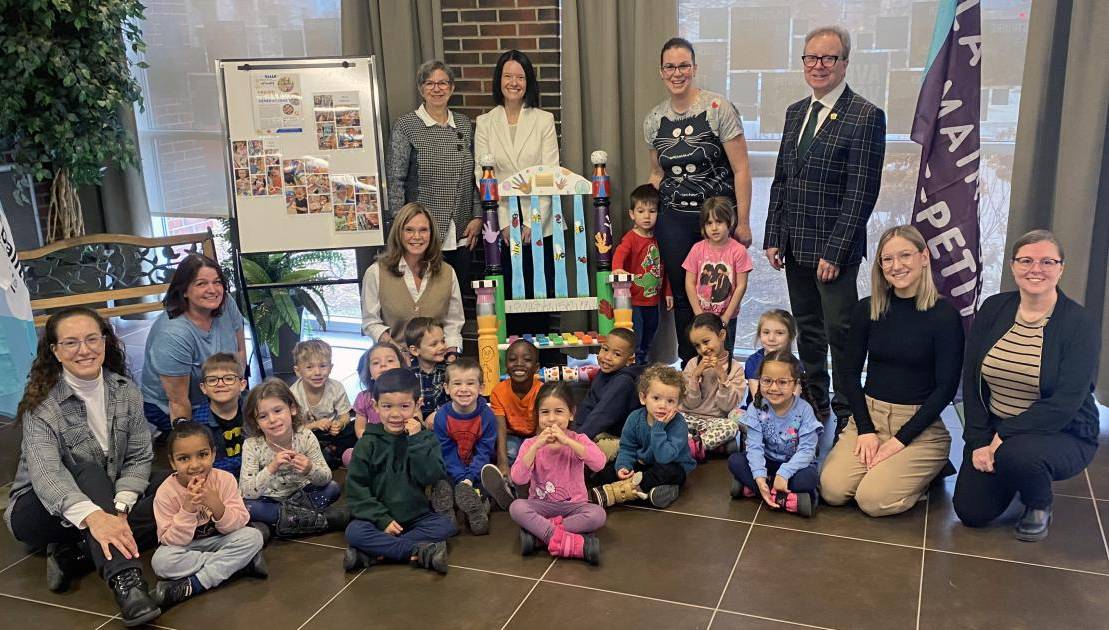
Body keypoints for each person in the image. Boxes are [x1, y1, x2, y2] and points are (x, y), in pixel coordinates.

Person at [762, 25, 886, 427]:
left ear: (844, 63)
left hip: (835, 250)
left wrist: (834, 252)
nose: (818, 66)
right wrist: (773, 236)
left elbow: (861, 194)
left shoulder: (865, 116)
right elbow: (782, 178)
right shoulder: (796, 112)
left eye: (828, 58)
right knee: (809, 329)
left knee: (841, 331)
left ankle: (849, 409)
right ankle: (815, 399)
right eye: (811, 58)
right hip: (795, 244)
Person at [6, 307, 162, 626]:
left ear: (105, 341)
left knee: (174, 488)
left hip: (107, 494)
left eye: (92, 338)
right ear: (55, 351)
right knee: (88, 470)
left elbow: (139, 456)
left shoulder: (125, 390)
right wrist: (94, 516)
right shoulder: (42, 405)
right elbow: (47, 475)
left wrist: (118, 507)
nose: (85, 349)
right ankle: (127, 581)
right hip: (39, 510)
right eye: (72, 342)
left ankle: (74, 555)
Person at [953, 230, 1101, 541]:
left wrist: (1002, 437)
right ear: (1012, 266)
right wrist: (979, 440)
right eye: (1026, 260)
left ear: (1061, 268)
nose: (1036, 269)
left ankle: (1038, 503)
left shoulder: (1078, 323)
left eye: (1047, 261)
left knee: (1016, 455)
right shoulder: (993, 309)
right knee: (972, 512)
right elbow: (972, 378)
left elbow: (1065, 404)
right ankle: (1014, 467)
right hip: (998, 427)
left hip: (1063, 431)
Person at [820, 226, 963, 517]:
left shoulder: (944, 316)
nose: (896, 266)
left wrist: (899, 442)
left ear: (924, 257)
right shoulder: (867, 309)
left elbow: (946, 388)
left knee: (873, 500)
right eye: (887, 259)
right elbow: (848, 374)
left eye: (905, 255)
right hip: (870, 417)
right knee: (832, 491)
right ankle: (891, 469)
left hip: (918, 426)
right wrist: (865, 429)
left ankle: (928, 469)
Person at [645, 37, 753, 362]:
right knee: (682, 296)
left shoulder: (718, 108)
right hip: (674, 219)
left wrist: (743, 221)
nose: (677, 73)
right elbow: (656, 173)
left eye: (683, 66)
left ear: (694, 68)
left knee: (721, 292)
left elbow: (742, 167)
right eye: (670, 67)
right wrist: (648, 218)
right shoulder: (653, 119)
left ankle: (723, 367)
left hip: (716, 218)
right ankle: (691, 368)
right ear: (661, 72)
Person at [474, 49, 560, 333]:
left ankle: (541, 368)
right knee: (507, 296)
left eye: (520, 77)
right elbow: (481, 174)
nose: (514, 82)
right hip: (500, 224)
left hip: (539, 223)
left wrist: (531, 222)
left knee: (539, 297)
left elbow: (550, 174)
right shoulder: (485, 123)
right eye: (508, 75)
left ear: (529, 81)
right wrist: (504, 223)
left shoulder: (543, 120)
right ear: (499, 80)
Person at [343, 368, 457, 574]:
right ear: (375, 406)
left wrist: (416, 440)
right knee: (354, 531)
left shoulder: (425, 438)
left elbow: (432, 475)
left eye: (404, 406)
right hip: (378, 519)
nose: (395, 414)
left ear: (418, 405)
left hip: (417, 517)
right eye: (387, 406)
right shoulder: (367, 443)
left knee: (446, 526)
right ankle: (417, 551)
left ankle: (372, 553)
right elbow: (356, 490)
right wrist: (382, 519)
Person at [150, 421, 266, 609]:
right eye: (184, 459)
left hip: (221, 539)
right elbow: (170, 541)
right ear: (172, 462)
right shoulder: (166, 493)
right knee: (161, 562)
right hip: (187, 548)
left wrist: (216, 505)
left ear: (212, 454)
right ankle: (239, 565)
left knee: (253, 536)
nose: (194, 465)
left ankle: (195, 584)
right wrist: (187, 510)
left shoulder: (224, 480)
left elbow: (240, 522)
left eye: (202, 455)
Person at [387, 60, 482, 289]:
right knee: (426, 296)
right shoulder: (407, 126)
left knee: (456, 295)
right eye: (430, 83)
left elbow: (474, 175)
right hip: (421, 233)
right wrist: (402, 228)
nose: (436, 89)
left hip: (461, 229)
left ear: (452, 88)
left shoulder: (463, 124)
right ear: (421, 89)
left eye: (442, 83)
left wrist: (477, 216)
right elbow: (396, 180)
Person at [141, 254, 245, 434]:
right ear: (184, 291)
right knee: (216, 443)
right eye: (201, 283)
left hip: (218, 394)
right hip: (175, 405)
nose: (213, 290)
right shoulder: (173, 333)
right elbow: (178, 401)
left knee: (263, 420)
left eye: (217, 282)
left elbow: (241, 353)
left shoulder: (226, 303)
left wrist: (233, 398)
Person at [508, 382, 607, 564]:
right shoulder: (530, 444)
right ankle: (570, 541)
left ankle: (540, 536)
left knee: (598, 515)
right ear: (537, 415)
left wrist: (569, 442)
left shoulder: (579, 440)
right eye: (545, 412)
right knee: (516, 508)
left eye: (559, 411)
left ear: (571, 413)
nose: (552, 419)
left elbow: (600, 463)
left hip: (574, 506)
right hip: (541, 505)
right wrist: (537, 446)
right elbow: (518, 478)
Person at [239, 378, 348, 539]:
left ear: (292, 409)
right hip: (269, 500)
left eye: (278, 411)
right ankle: (324, 520)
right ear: (256, 423)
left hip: (303, 495)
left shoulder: (305, 436)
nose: (272, 420)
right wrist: (271, 468)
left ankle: (280, 524)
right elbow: (247, 491)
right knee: (246, 506)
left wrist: (310, 469)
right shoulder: (252, 445)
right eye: (263, 416)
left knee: (332, 488)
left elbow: (325, 477)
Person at [361, 202, 464, 354]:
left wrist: (451, 357)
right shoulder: (375, 272)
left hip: (438, 362)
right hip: (394, 363)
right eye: (409, 230)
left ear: (432, 233)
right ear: (399, 233)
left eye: (423, 230)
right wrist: (399, 352)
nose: (417, 236)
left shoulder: (448, 272)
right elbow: (371, 323)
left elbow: (453, 324)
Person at [729, 350, 822, 517]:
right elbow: (754, 447)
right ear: (760, 381)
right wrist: (759, 476)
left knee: (810, 478)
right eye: (767, 381)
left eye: (782, 382)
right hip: (767, 462)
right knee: (735, 461)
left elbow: (807, 451)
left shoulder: (805, 411)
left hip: (795, 465)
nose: (773, 388)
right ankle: (783, 497)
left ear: (795, 384)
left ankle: (755, 490)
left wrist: (784, 473)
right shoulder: (756, 408)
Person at [591, 364, 696, 509]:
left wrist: (659, 427)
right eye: (656, 398)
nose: (662, 405)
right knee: (603, 475)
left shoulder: (678, 425)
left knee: (668, 472)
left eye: (670, 401)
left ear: (678, 404)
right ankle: (645, 492)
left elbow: (664, 457)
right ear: (643, 398)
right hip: (643, 464)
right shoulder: (634, 418)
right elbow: (627, 448)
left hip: (670, 465)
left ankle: (629, 491)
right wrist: (623, 466)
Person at [430, 358, 496, 536]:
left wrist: (469, 478)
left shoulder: (487, 416)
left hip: (477, 469)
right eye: (457, 383)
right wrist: (461, 478)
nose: (464, 389)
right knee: (442, 485)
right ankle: (447, 513)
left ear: (481, 388)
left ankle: (477, 509)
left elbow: (484, 452)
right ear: (446, 388)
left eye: (470, 383)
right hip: (451, 469)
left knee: (484, 486)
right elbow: (447, 453)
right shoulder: (442, 417)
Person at [682, 197, 753, 354]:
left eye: (719, 222)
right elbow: (689, 282)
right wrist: (698, 313)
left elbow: (741, 285)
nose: (714, 228)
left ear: (729, 222)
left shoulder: (738, 251)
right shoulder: (697, 249)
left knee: (725, 356)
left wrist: (727, 316)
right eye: (709, 223)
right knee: (704, 356)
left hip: (727, 317)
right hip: (702, 315)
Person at [612, 183, 673, 363]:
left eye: (652, 211)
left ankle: (643, 360)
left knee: (651, 332)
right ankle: (636, 364)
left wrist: (668, 292)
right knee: (636, 336)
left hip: (653, 300)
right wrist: (617, 269)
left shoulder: (659, 238)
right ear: (632, 214)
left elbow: (665, 267)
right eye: (641, 211)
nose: (646, 216)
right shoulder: (631, 238)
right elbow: (619, 254)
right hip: (635, 300)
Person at [574, 329, 646, 461]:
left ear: (630, 359)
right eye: (605, 349)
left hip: (619, 438)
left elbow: (602, 415)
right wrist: (575, 432)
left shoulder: (623, 382)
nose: (607, 357)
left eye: (617, 354)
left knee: (588, 457)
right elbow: (588, 404)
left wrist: (576, 441)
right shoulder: (603, 373)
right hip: (600, 430)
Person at [682, 313, 746, 458]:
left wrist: (722, 377)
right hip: (689, 418)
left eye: (706, 341)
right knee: (669, 417)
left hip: (715, 422)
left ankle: (691, 447)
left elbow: (727, 407)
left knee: (731, 427)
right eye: (697, 346)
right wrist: (695, 377)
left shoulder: (735, 368)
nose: (703, 349)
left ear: (722, 335)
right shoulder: (692, 364)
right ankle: (707, 446)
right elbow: (689, 404)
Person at [289, 339, 356, 469]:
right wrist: (315, 425)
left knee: (354, 427)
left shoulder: (336, 387)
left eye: (323, 366)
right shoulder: (293, 394)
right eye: (309, 367)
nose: (317, 372)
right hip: (309, 433)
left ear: (330, 368)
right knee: (296, 440)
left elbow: (345, 415)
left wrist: (340, 424)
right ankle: (330, 455)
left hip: (333, 434)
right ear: (298, 371)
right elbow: (293, 429)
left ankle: (332, 453)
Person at [341, 342, 406, 467]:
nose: (383, 364)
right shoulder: (364, 397)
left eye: (390, 360)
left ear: (401, 367)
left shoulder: (408, 395)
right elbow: (360, 428)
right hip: (373, 445)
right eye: (376, 363)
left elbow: (416, 420)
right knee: (349, 455)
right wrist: (370, 443)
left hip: (400, 445)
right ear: (369, 372)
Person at [486, 338, 541, 478]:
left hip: (536, 435)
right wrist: (502, 463)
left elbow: (542, 429)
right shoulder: (498, 391)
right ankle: (506, 484)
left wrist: (535, 449)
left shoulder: (542, 391)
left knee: (536, 457)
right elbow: (500, 429)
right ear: (506, 365)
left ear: (537, 367)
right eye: (512, 359)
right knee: (510, 453)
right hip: (512, 435)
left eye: (527, 359)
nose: (519, 364)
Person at [191, 353, 247, 477]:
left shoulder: (253, 410)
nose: (220, 384)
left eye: (228, 378)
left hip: (254, 472)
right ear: (203, 388)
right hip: (218, 478)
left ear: (242, 385)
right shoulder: (199, 424)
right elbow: (205, 463)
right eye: (212, 380)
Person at [404, 317, 452, 421]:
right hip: (415, 426)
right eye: (434, 344)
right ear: (415, 350)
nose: (442, 347)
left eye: (443, 341)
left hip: (445, 422)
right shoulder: (407, 374)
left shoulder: (450, 370)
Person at [745, 310, 798, 404]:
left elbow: (794, 400)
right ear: (759, 334)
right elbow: (757, 400)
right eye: (766, 332)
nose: (771, 338)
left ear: (791, 336)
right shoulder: (753, 361)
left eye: (779, 333)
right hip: (759, 411)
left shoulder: (795, 364)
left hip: (787, 411)